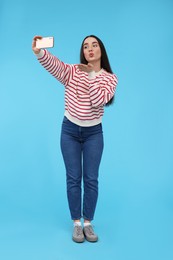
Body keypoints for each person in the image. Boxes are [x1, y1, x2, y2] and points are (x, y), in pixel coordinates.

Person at [32, 34, 118, 243]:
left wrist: (90, 76)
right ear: (83, 52)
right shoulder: (73, 71)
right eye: (86, 46)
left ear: (101, 50)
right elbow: (56, 66)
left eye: (94, 45)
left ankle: (88, 223)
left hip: (93, 134)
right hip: (70, 131)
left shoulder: (109, 78)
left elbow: (98, 101)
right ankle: (76, 224)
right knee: (73, 178)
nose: (90, 49)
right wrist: (40, 52)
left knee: (91, 179)